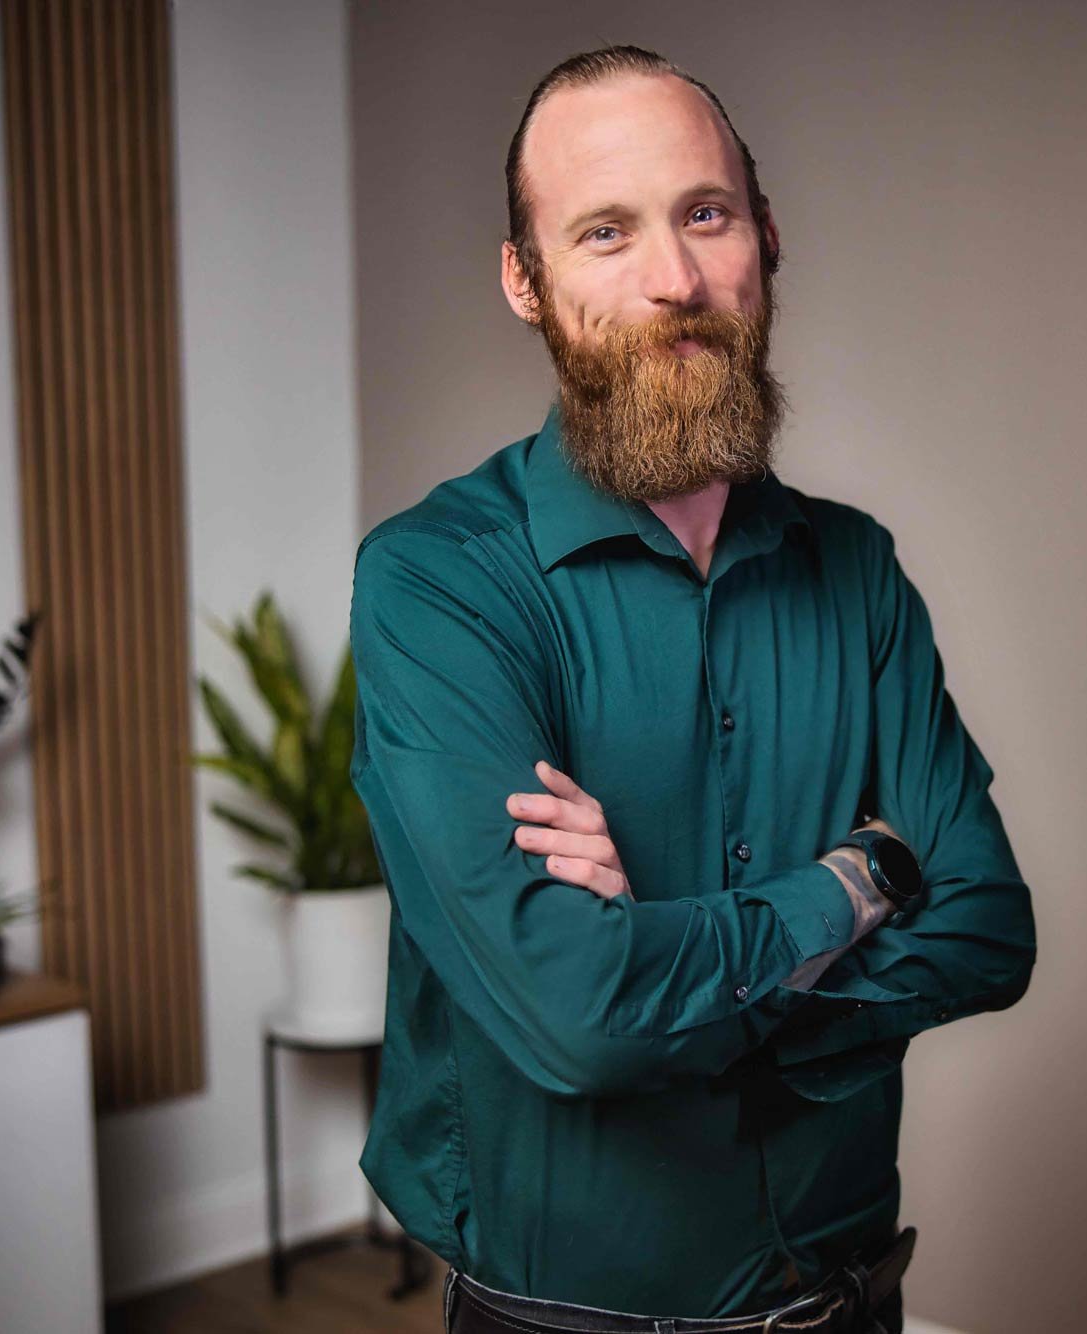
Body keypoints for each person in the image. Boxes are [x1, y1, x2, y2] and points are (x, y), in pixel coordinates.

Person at [348, 45, 1036, 1334]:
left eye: (704, 214)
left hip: (849, 1307)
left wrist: (663, 962)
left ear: (766, 237)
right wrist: (860, 882)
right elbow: (581, 1021)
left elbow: (993, 927)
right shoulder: (439, 584)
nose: (674, 280)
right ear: (526, 279)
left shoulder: (858, 570)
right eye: (604, 231)